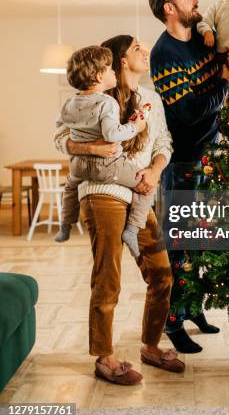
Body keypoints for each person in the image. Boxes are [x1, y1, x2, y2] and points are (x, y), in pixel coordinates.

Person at [54, 35, 184, 385]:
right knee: (108, 276)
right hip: (103, 193)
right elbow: (59, 138)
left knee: (161, 273)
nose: (146, 51)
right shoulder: (96, 96)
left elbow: (163, 143)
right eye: (138, 48)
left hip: (140, 192)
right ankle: (105, 357)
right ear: (121, 60)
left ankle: (150, 346)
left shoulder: (151, 99)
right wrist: (93, 149)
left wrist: (155, 171)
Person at [149, 0, 229, 353]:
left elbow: (220, 64)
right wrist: (226, 81)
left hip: (210, 155)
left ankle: (193, 307)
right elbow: (187, 113)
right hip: (183, 161)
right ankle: (172, 323)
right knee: (181, 245)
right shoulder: (164, 54)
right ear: (170, 9)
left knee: (202, 241)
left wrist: (226, 62)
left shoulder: (203, 38)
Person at [54, 44, 152, 260]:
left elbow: (59, 124)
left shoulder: (70, 101)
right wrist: (136, 127)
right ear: (98, 76)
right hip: (107, 167)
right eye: (109, 68)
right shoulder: (107, 102)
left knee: (70, 187)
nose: (114, 71)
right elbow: (111, 134)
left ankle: (65, 225)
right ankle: (133, 230)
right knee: (146, 186)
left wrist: (83, 137)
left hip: (78, 165)